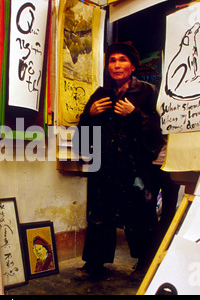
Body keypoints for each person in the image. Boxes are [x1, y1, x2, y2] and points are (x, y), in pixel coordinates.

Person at [74, 42, 165, 280]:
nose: (117, 65)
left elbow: (160, 131)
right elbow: (82, 137)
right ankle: (94, 264)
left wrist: (135, 115)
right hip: (103, 165)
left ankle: (145, 264)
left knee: (141, 215)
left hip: (137, 166)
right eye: (112, 60)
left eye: (122, 60)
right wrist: (89, 116)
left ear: (133, 65)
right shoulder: (100, 94)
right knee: (99, 213)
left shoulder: (149, 92)